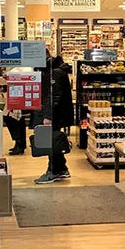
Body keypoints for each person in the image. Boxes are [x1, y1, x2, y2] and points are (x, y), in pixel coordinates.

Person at [33, 55, 74, 184]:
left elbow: (53, 96)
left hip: (56, 114)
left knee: (51, 143)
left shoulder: (55, 73)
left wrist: (48, 116)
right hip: (58, 113)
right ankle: (62, 168)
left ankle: (53, 172)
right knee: (54, 141)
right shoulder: (54, 70)